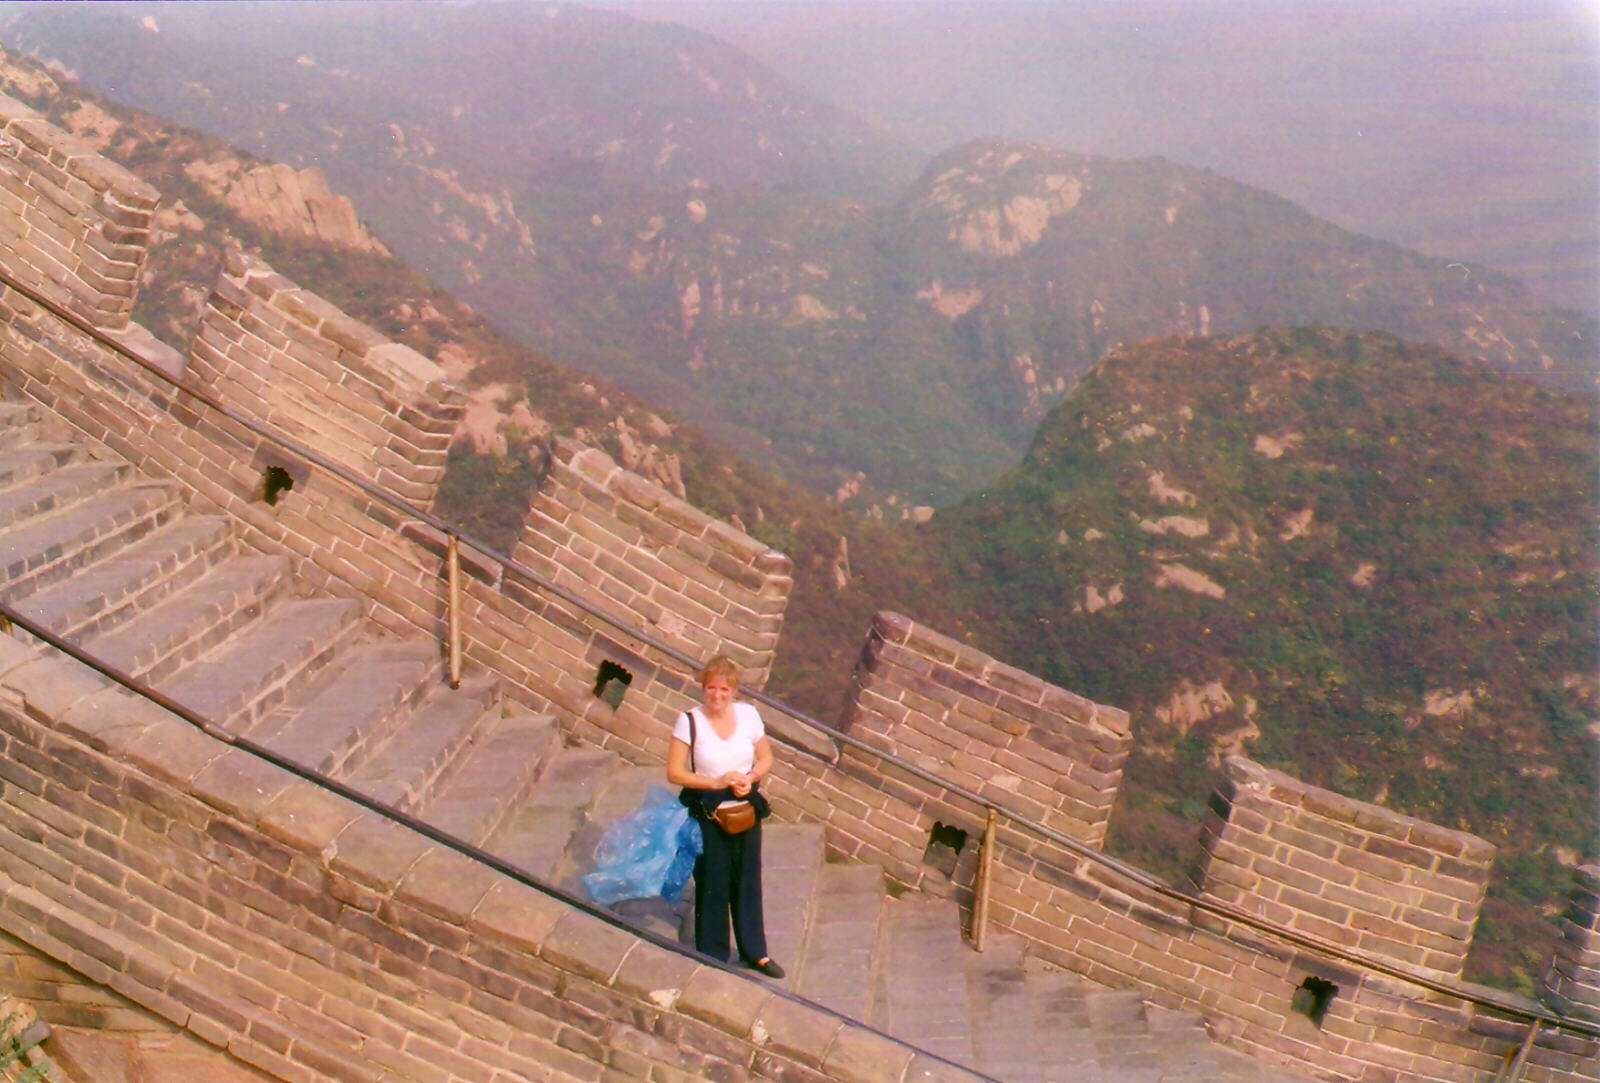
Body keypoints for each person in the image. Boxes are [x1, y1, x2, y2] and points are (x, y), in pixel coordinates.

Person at [666, 655, 785, 979]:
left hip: (743, 802)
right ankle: (713, 951)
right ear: (703, 688)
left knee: (747, 875)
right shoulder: (689, 720)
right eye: (710, 689)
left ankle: (755, 952)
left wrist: (751, 776)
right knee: (713, 877)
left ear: (733, 690)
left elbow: (765, 757)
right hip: (708, 805)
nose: (716, 696)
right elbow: (675, 772)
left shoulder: (748, 716)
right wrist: (715, 782)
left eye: (723, 689)